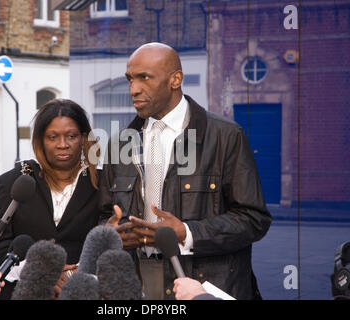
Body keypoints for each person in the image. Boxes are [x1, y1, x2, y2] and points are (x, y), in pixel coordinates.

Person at [99, 42, 272, 300]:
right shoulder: (120, 143)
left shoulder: (225, 136)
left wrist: (186, 233)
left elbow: (253, 219)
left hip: (200, 284)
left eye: (144, 78)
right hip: (135, 282)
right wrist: (110, 234)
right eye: (130, 79)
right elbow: (103, 215)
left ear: (175, 79)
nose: (133, 89)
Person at [0, 98, 101, 299]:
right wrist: (42, 271)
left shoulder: (102, 184)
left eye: (71, 136)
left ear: (83, 138)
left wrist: (77, 273)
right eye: (52, 137)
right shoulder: (14, 182)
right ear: (40, 141)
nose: (62, 145)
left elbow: (111, 245)